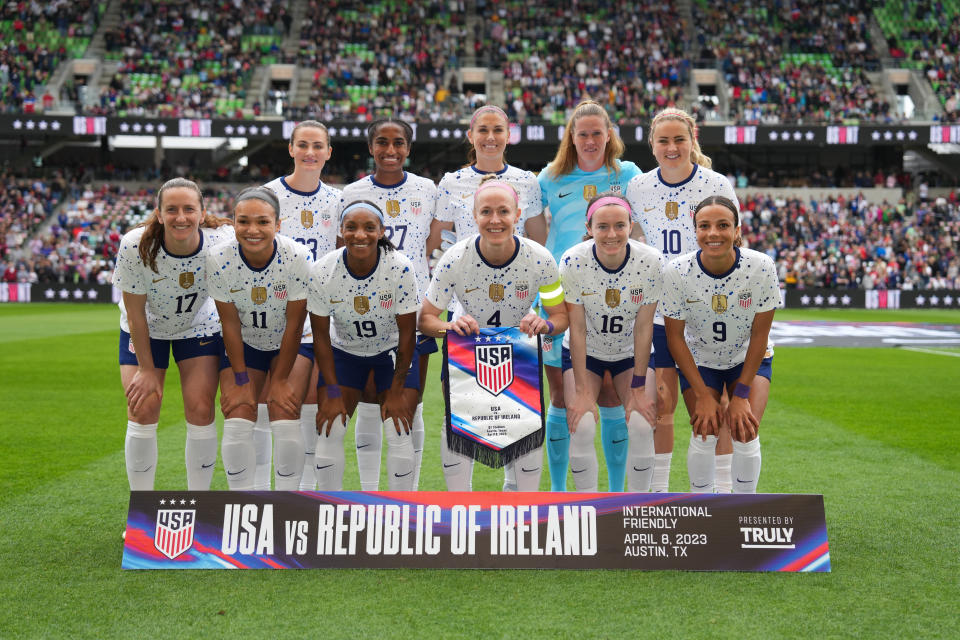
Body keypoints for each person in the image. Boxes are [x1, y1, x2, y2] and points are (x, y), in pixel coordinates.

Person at [419, 178, 568, 491]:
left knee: (523, 431)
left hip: (520, 354)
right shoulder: (455, 259)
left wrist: (545, 325)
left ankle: (519, 511)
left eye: (503, 211)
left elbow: (559, 316)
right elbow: (427, 319)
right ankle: (462, 507)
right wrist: (449, 327)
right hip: (466, 355)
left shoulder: (540, 258)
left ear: (518, 214)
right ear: (474, 216)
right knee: (459, 429)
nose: (495, 219)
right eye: (486, 211)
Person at [625, 107, 739, 492]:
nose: (672, 147)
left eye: (679, 139)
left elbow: (732, 243)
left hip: (705, 310)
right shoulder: (638, 187)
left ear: (692, 140)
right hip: (657, 309)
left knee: (715, 402)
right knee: (659, 404)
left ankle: (719, 494)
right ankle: (657, 494)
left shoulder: (716, 183)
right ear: (652, 145)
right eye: (663, 140)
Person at [538, 100, 642, 492]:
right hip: (559, 298)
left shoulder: (628, 174)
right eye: (582, 133)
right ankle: (560, 492)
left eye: (597, 132)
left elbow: (641, 230)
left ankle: (615, 494)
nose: (590, 140)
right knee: (562, 398)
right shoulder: (549, 177)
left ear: (609, 134)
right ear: (571, 137)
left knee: (613, 395)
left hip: (613, 298)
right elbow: (533, 234)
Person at [340, 118, 443, 491]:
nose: (390, 150)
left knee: (408, 403)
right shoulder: (351, 192)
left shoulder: (427, 189)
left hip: (413, 311)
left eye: (398, 143)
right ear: (370, 147)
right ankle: (370, 493)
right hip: (364, 308)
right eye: (381, 142)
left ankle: (408, 495)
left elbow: (433, 240)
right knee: (370, 401)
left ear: (408, 148)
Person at [113, 178, 232, 490]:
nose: (181, 217)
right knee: (143, 407)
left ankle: (199, 504)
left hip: (198, 326)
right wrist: (146, 369)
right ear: (159, 213)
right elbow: (135, 311)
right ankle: (141, 509)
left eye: (189, 209)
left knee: (201, 408)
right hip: (145, 330)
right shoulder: (135, 244)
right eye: (172, 209)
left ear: (202, 212)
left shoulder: (222, 239)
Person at [661, 196, 779, 494]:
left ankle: (742, 508)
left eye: (723, 225)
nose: (713, 233)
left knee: (745, 431)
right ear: (695, 231)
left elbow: (759, 335)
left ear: (737, 231)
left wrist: (740, 395)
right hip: (701, 361)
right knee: (704, 432)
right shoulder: (676, 271)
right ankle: (704, 507)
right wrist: (702, 394)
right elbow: (674, 337)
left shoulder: (761, 266)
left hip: (747, 357)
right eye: (705, 226)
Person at [307, 200, 420, 490]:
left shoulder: (400, 268)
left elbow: (408, 334)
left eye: (369, 228)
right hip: (345, 352)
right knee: (330, 429)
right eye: (352, 227)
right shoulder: (323, 270)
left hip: (392, 352)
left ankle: (400, 512)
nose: (360, 235)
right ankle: (330, 509)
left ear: (382, 231)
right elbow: (320, 335)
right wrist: (332, 390)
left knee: (399, 430)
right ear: (341, 230)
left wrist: (396, 391)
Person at [206, 187, 311, 491]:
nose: (252, 230)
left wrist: (278, 380)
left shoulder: (297, 256)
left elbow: (295, 324)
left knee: (284, 407)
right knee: (238, 411)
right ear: (234, 222)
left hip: (291, 341)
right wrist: (240, 377)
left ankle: (287, 504)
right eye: (244, 221)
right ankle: (242, 503)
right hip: (245, 342)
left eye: (263, 222)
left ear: (279, 225)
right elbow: (229, 324)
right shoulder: (218, 258)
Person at [561, 194, 664, 492]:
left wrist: (638, 387)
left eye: (620, 225)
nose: (611, 234)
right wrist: (581, 392)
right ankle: (588, 509)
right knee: (581, 424)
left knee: (642, 423)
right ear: (589, 227)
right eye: (602, 226)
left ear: (631, 225)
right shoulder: (572, 260)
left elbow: (645, 328)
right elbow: (577, 328)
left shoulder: (651, 261)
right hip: (586, 352)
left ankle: (635, 508)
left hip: (630, 354)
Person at [263, 120, 341, 491]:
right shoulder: (267, 194)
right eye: (303, 145)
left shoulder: (338, 200)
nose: (310, 152)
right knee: (269, 405)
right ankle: (263, 494)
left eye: (318, 146)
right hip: (271, 314)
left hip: (320, 315)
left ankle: (304, 497)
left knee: (310, 403)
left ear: (328, 152)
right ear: (291, 149)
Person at [436, 105, 546, 244]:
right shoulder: (451, 182)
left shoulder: (528, 181)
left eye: (498, 130)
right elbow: (436, 242)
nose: (490, 137)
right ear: (470, 136)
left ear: (508, 136)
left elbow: (540, 241)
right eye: (483, 130)